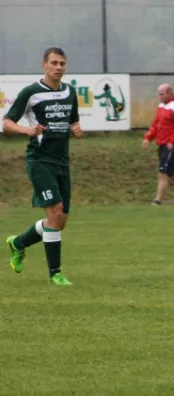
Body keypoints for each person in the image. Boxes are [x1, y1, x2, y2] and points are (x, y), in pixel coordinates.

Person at [3, 47, 83, 286]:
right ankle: (55, 273)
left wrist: (76, 128)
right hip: (39, 161)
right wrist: (27, 130)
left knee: (60, 221)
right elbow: (6, 123)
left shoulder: (70, 92)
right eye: (54, 63)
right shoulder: (32, 92)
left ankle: (18, 243)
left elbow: (73, 120)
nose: (59, 67)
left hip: (62, 162)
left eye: (62, 63)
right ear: (44, 65)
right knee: (55, 212)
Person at [142, 84, 174, 205]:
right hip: (162, 143)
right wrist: (148, 138)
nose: (160, 97)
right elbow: (156, 124)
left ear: (170, 92)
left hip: (171, 145)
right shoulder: (161, 106)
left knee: (162, 172)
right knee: (173, 172)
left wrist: (173, 141)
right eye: (159, 94)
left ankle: (157, 200)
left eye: (162, 94)